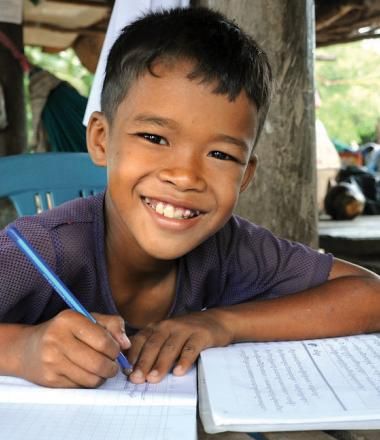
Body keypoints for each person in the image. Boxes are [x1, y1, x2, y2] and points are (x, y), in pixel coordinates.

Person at [0, 7, 379, 389]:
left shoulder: (229, 247)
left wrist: (220, 324)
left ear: (244, 174)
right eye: (154, 138)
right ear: (101, 139)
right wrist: (21, 350)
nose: (184, 177)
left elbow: (370, 295)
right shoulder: (43, 247)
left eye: (221, 155)